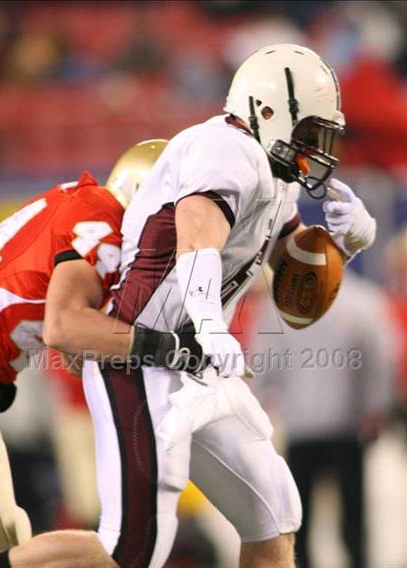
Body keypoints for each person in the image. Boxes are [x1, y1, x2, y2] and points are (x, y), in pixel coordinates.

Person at [79, 44, 376, 568]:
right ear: (267, 111)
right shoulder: (224, 147)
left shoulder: (274, 175)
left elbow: (295, 294)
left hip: (198, 365)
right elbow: (198, 235)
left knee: (276, 516)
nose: (316, 148)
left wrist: (345, 245)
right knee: (132, 548)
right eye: (309, 132)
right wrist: (211, 323)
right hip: (140, 361)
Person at [0, 139, 170, 567]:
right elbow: (64, 328)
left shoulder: (78, 197)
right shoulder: (107, 225)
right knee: (4, 542)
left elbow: (69, 341)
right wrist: (163, 347)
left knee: (7, 534)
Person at [250, 269, 398, 568]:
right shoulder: (363, 299)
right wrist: (375, 407)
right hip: (345, 427)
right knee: (350, 515)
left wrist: (258, 411)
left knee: (300, 516)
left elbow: (262, 361)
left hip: (309, 426)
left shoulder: (282, 305)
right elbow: (380, 358)